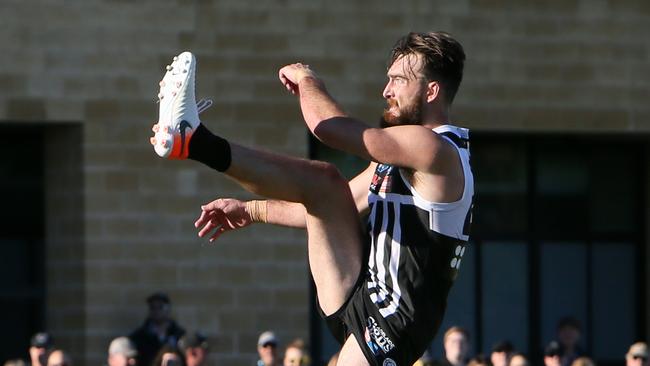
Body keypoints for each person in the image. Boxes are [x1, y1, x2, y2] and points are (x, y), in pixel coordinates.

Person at [150, 31, 473, 366]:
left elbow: (328, 128)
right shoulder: (401, 157)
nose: (386, 91)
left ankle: (193, 139)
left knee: (324, 178)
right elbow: (328, 207)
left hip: (393, 325)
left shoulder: (436, 151)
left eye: (397, 80)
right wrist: (252, 210)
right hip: (357, 291)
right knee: (324, 182)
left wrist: (308, 79)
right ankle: (193, 140)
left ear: (431, 91)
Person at [129, 292, 186, 366]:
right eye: (153, 307)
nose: (156, 311)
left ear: (168, 309)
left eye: (160, 307)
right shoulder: (140, 336)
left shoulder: (178, 334)